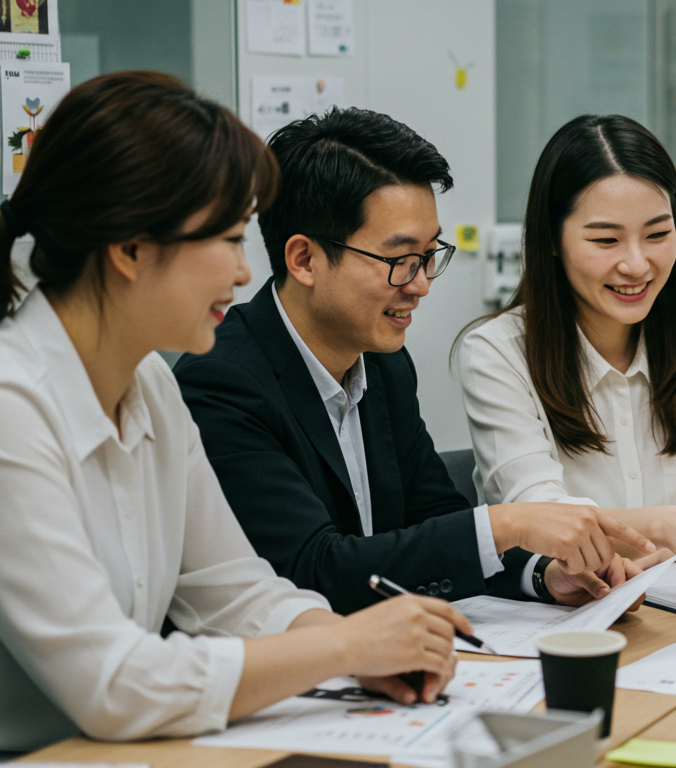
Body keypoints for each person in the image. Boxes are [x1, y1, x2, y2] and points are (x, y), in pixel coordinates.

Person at [0, 72, 472, 753]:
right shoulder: (14, 406)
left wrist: (353, 646)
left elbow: (234, 592)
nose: (245, 273)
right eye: (225, 240)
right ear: (131, 249)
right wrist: (343, 646)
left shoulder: (152, 389)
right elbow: (114, 684)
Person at [174, 107, 665, 616]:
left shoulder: (382, 365)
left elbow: (431, 517)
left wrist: (544, 574)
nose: (421, 284)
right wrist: (508, 523)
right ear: (304, 260)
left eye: (430, 255)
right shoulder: (222, 383)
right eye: (400, 260)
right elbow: (310, 569)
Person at [458, 114, 676, 586]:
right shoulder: (498, 353)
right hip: (563, 621)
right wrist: (666, 527)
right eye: (606, 240)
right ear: (552, 239)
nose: (636, 264)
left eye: (657, 234)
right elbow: (541, 521)